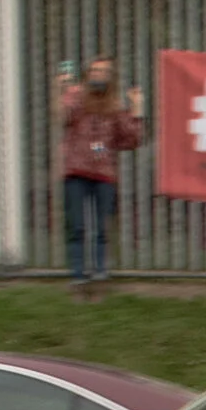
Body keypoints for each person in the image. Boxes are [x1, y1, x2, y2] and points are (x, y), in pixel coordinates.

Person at [57, 55, 145, 295]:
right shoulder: (77, 97)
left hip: (104, 173)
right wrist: (63, 90)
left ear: (111, 77)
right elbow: (64, 117)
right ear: (88, 74)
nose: (99, 75)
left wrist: (136, 108)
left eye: (104, 71)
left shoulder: (114, 105)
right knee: (76, 225)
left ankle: (100, 273)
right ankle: (77, 276)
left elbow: (132, 139)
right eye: (95, 71)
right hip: (76, 170)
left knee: (101, 226)